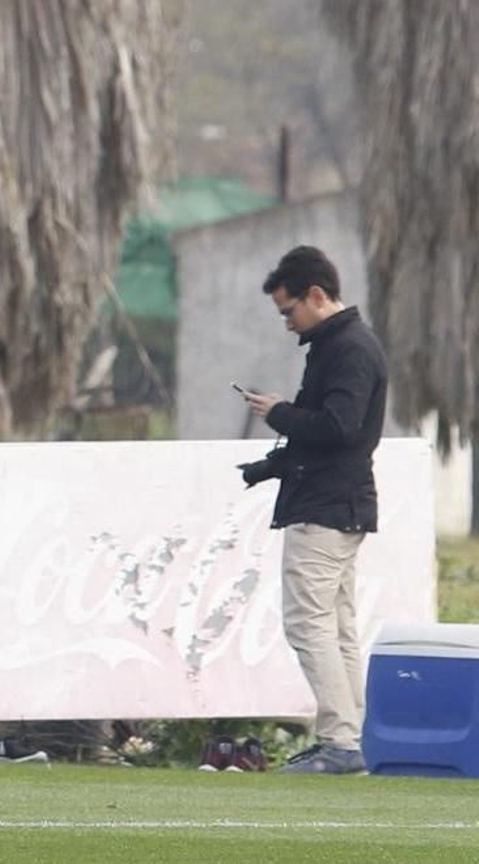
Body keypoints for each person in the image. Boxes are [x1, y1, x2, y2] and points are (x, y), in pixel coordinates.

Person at [239, 244, 387, 775]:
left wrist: (280, 414)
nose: (286, 323)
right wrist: (268, 467)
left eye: (288, 310)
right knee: (339, 626)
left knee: (308, 623)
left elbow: (338, 428)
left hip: (326, 507)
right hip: (340, 501)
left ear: (316, 295)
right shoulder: (340, 345)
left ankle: (341, 744)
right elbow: (327, 430)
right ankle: (350, 741)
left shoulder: (347, 348)